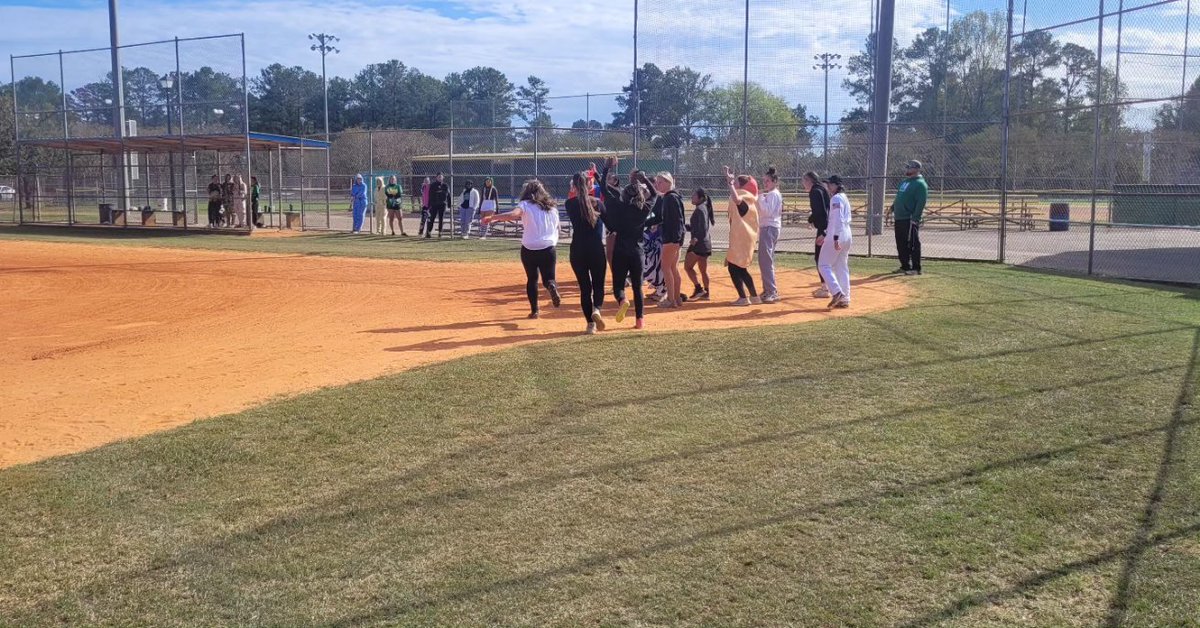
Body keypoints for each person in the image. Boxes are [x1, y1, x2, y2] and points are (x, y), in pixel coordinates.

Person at [482, 179, 562, 319]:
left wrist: (492, 217)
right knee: (548, 278)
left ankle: (535, 311)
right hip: (548, 247)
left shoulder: (525, 205)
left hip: (529, 247)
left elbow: (512, 215)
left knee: (532, 279)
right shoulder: (552, 208)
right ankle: (551, 286)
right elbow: (558, 228)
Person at [598, 156, 653, 330]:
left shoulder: (618, 206)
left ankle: (622, 299)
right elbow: (655, 195)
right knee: (638, 287)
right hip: (637, 251)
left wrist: (606, 168)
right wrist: (644, 179)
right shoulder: (643, 209)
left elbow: (604, 188)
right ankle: (640, 321)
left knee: (618, 285)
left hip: (620, 250)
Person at [565, 170, 608, 334]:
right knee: (598, 284)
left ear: (574, 186)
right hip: (596, 249)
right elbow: (610, 224)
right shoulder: (597, 202)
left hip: (577, 249)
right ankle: (596, 309)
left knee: (585, 288)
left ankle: (590, 324)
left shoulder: (570, 204)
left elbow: (576, 199)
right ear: (590, 184)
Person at [724, 166, 761, 306]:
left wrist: (730, 182)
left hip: (742, 239)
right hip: (743, 239)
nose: (735, 184)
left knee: (734, 267)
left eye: (738, 182)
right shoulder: (750, 200)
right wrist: (731, 182)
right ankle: (754, 296)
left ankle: (743, 298)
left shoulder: (744, 199)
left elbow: (737, 199)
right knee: (741, 268)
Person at [652, 172, 687, 308]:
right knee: (673, 268)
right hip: (676, 237)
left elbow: (677, 220)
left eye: (660, 182)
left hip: (672, 238)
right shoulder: (674, 196)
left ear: (668, 183)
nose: (657, 185)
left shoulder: (669, 198)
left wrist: (674, 238)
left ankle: (671, 300)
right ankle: (677, 299)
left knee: (666, 267)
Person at [819, 175, 853, 309]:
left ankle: (837, 292)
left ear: (836, 185)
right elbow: (835, 220)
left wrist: (834, 238)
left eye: (830, 184)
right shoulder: (844, 197)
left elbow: (837, 219)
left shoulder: (836, 198)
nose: (828, 187)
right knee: (841, 266)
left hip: (838, 234)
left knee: (823, 265)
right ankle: (845, 298)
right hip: (846, 234)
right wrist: (826, 233)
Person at [892, 159, 928, 275]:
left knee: (912, 243)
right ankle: (905, 266)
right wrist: (892, 207)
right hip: (899, 217)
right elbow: (899, 197)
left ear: (916, 169)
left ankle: (916, 268)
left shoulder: (920, 184)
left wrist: (915, 218)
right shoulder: (905, 182)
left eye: (909, 167)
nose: (906, 169)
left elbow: (921, 202)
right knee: (901, 243)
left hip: (909, 218)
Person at [757, 166, 784, 303]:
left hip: (769, 228)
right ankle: (768, 289)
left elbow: (767, 212)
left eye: (767, 181)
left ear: (774, 181)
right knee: (764, 260)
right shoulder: (771, 194)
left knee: (765, 260)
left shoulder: (773, 194)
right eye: (764, 181)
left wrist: (760, 197)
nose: (765, 183)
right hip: (768, 227)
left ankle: (772, 291)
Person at [803, 171, 831, 297]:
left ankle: (825, 288)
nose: (804, 184)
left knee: (820, 258)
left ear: (810, 180)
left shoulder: (815, 191)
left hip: (824, 228)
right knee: (826, 259)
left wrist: (823, 231)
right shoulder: (821, 189)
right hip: (827, 227)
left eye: (804, 181)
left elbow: (820, 211)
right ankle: (828, 286)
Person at [685, 188, 715, 300]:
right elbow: (696, 227)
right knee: (703, 270)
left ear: (701, 198)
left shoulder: (700, 209)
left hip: (699, 244)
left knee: (687, 267)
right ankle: (706, 293)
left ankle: (699, 289)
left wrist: (695, 239)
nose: (692, 197)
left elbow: (702, 227)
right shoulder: (703, 208)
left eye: (694, 195)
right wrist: (684, 227)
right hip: (706, 244)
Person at [425, 173, 451, 238]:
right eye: (438, 177)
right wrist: (429, 205)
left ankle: (440, 233)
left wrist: (449, 204)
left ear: (443, 178)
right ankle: (429, 232)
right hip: (434, 205)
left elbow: (448, 195)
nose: (440, 178)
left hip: (442, 204)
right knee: (432, 218)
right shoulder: (433, 185)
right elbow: (430, 195)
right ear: (436, 177)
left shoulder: (445, 185)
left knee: (441, 219)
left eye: (441, 177)